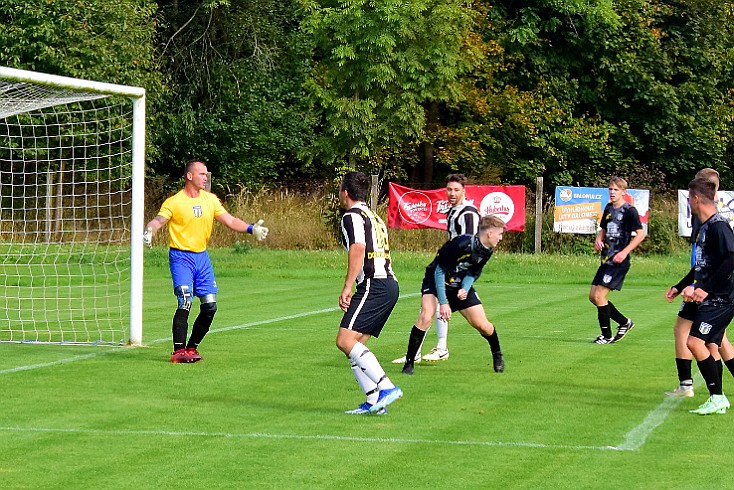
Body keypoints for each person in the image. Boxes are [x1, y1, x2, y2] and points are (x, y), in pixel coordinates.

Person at [142, 159, 268, 363]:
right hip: (181, 257)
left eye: (206, 174)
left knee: (210, 306)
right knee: (185, 301)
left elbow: (230, 220)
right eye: (201, 174)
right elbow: (158, 220)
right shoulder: (174, 202)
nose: (205, 177)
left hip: (202, 258)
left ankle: (191, 348)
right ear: (189, 176)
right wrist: (149, 231)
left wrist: (251, 228)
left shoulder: (210, 200)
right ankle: (178, 351)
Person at [400, 214, 506, 376]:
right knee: (426, 316)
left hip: (459, 282)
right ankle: (409, 363)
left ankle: (497, 354)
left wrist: (465, 288)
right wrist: (443, 302)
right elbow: (439, 271)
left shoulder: (487, 250)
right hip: (435, 279)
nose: (501, 238)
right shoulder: (461, 243)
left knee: (482, 325)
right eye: (500, 233)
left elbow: (473, 272)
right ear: (489, 233)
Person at [392, 174, 480, 365]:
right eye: (449, 189)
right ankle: (420, 352)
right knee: (429, 304)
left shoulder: (469, 213)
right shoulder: (452, 212)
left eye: (456, 190)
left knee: (446, 304)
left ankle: (441, 348)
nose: (452, 193)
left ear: (464, 191)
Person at [666, 178, 734, 414]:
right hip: (704, 296)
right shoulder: (704, 226)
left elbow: (730, 259)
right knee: (709, 344)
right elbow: (702, 266)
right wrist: (679, 286)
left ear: (696, 199)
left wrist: (706, 289)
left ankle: (717, 397)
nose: (689, 203)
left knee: (695, 342)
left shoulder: (719, 226)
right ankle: (717, 398)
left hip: (720, 299)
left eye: (689, 198)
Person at [336, 171, 403, 415]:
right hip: (388, 284)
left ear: (345, 193)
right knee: (355, 346)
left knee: (344, 341)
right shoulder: (373, 216)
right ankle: (374, 401)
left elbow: (358, 247)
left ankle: (386, 387)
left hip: (375, 284)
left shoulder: (351, 216)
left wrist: (347, 285)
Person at [589, 177, 646, 344]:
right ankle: (624, 322)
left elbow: (640, 234)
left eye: (616, 190)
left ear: (623, 192)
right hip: (606, 259)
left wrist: (624, 251)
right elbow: (603, 228)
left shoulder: (629, 210)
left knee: (599, 295)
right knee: (593, 296)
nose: (612, 192)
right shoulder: (608, 208)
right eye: (610, 189)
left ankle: (606, 336)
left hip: (619, 261)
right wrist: (599, 239)